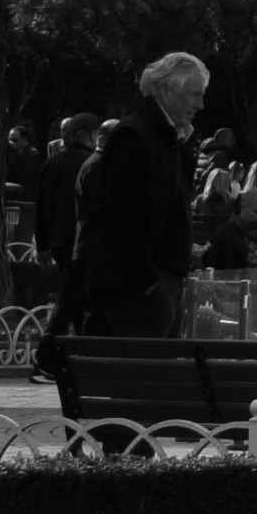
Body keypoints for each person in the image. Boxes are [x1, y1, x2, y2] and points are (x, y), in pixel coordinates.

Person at [64, 57, 211, 342]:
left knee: (153, 374)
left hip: (156, 279)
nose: (201, 104)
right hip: (141, 284)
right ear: (167, 91)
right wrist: (146, 279)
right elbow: (120, 214)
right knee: (145, 375)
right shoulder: (135, 136)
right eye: (195, 94)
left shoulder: (161, 136)